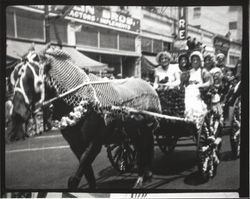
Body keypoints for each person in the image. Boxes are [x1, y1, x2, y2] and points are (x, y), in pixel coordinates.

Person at [184, 51, 213, 130]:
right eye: (193, 60)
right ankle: (188, 119)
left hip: (199, 93)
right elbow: (185, 83)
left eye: (197, 60)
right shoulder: (189, 72)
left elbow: (209, 83)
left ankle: (196, 121)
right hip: (188, 92)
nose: (195, 62)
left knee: (196, 105)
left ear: (200, 61)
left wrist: (199, 85)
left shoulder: (203, 71)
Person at [154, 51, 182, 116]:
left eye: (165, 58)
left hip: (173, 93)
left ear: (169, 59)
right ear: (159, 61)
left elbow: (178, 81)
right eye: (162, 59)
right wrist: (155, 88)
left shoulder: (174, 67)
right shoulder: (157, 69)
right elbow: (156, 83)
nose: (164, 60)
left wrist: (169, 84)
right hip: (162, 93)